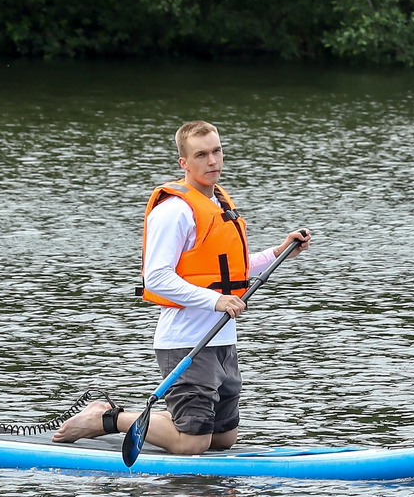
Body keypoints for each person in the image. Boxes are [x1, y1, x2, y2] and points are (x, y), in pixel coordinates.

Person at [55, 120, 309, 453]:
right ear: (184, 163)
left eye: (217, 151)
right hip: (185, 339)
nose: (213, 161)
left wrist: (278, 252)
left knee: (223, 438)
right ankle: (107, 417)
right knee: (192, 443)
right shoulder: (174, 211)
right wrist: (215, 301)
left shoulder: (220, 206)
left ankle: (172, 421)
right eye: (202, 155)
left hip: (221, 338)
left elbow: (231, 270)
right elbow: (157, 277)